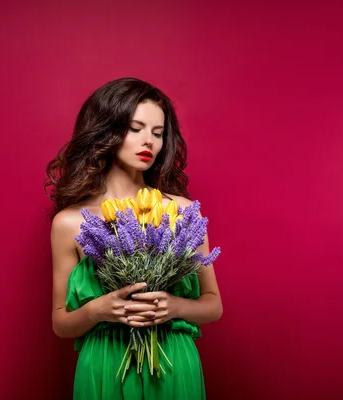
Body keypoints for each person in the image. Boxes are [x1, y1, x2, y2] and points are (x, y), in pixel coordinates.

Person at [45, 77, 223, 399]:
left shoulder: (182, 212)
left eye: (157, 133)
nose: (149, 142)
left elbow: (213, 305)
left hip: (171, 364)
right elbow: (61, 323)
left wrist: (173, 306)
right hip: (105, 366)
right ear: (107, 131)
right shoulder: (69, 223)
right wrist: (99, 310)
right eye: (136, 128)